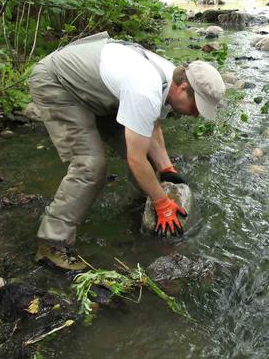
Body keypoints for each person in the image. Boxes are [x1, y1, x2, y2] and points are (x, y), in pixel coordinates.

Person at [27, 31, 225, 272]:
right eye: (196, 106)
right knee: (90, 166)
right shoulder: (145, 88)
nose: (195, 114)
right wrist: (162, 203)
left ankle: (140, 214)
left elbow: (152, 126)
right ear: (183, 87)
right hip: (59, 84)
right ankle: (52, 244)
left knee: (152, 167)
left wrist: (166, 169)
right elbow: (135, 158)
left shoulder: (168, 78)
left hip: (102, 92)